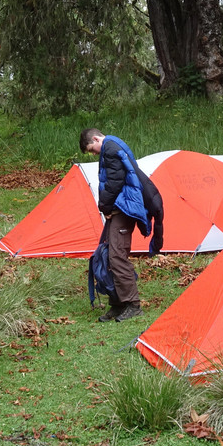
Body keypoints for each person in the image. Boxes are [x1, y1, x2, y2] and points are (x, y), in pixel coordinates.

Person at [80, 128, 164, 322]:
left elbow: (114, 183)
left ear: (95, 138)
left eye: (92, 149)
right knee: (110, 254)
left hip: (123, 209)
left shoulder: (110, 148)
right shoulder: (115, 145)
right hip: (121, 207)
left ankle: (132, 304)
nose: (94, 154)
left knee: (117, 256)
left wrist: (105, 207)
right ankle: (117, 304)